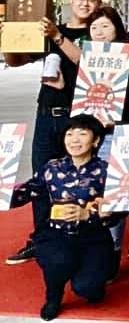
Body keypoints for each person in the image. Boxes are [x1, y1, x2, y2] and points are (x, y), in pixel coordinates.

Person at [2, 0, 100, 266]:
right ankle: (41, 239)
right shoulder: (49, 29)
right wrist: (9, 39)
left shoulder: (98, 31)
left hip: (79, 117)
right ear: (70, 0)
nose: (84, 4)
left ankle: (79, 237)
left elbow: (87, 63)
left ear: (98, 3)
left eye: (91, 0)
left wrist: (57, 36)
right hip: (47, 113)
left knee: (83, 177)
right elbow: (18, 61)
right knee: (42, 177)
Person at [49, 5, 129, 267]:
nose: (99, 32)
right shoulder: (85, 62)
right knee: (87, 191)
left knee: (113, 194)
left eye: (105, 26)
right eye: (94, 27)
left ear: (117, 29)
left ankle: (112, 251)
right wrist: (63, 87)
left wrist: (119, 119)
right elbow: (79, 103)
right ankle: (93, 252)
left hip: (120, 135)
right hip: (91, 138)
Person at [9, 115, 115, 321]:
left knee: (88, 289)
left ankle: (90, 282)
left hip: (94, 237)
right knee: (58, 262)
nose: (74, 139)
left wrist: (89, 214)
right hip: (56, 234)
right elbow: (30, 191)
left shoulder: (107, 171)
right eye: (69, 134)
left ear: (96, 140)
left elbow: (118, 212)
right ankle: (53, 297)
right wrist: (6, 193)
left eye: (82, 134)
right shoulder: (52, 168)